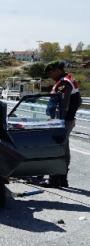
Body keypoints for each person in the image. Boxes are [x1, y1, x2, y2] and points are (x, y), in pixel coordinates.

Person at [41, 60, 81, 188]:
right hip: (66, 119)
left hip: (62, 120)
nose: (49, 76)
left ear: (57, 70)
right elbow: (79, 100)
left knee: (56, 148)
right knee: (63, 147)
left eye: (50, 73)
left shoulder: (64, 82)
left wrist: (57, 120)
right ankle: (62, 179)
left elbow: (63, 104)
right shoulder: (68, 80)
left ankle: (54, 179)